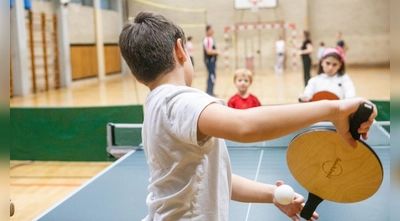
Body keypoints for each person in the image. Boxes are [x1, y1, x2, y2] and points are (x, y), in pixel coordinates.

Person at [119, 11, 377, 221]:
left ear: (136, 74)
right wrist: (334, 109)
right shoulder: (178, 100)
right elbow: (245, 125)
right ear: (180, 51)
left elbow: (213, 180)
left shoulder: (156, 106)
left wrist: (271, 194)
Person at [203, 24, 219, 96]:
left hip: (211, 60)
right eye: (211, 30)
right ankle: (209, 92)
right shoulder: (208, 39)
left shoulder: (210, 38)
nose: (213, 31)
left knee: (212, 75)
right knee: (212, 75)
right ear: (208, 30)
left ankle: (210, 91)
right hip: (209, 61)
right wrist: (217, 51)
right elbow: (208, 51)